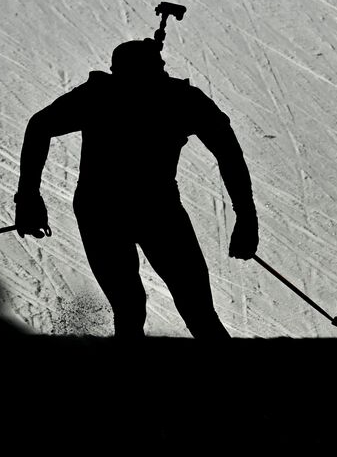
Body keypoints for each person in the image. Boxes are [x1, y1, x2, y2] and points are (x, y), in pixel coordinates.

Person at [14, 39, 257, 339]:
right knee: (191, 308)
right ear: (160, 69)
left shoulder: (100, 95)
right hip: (152, 209)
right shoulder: (178, 99)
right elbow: (227, 150)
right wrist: (246, 215)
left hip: (104, 209)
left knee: (134, 307)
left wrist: (28, 197)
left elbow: (39, 125)